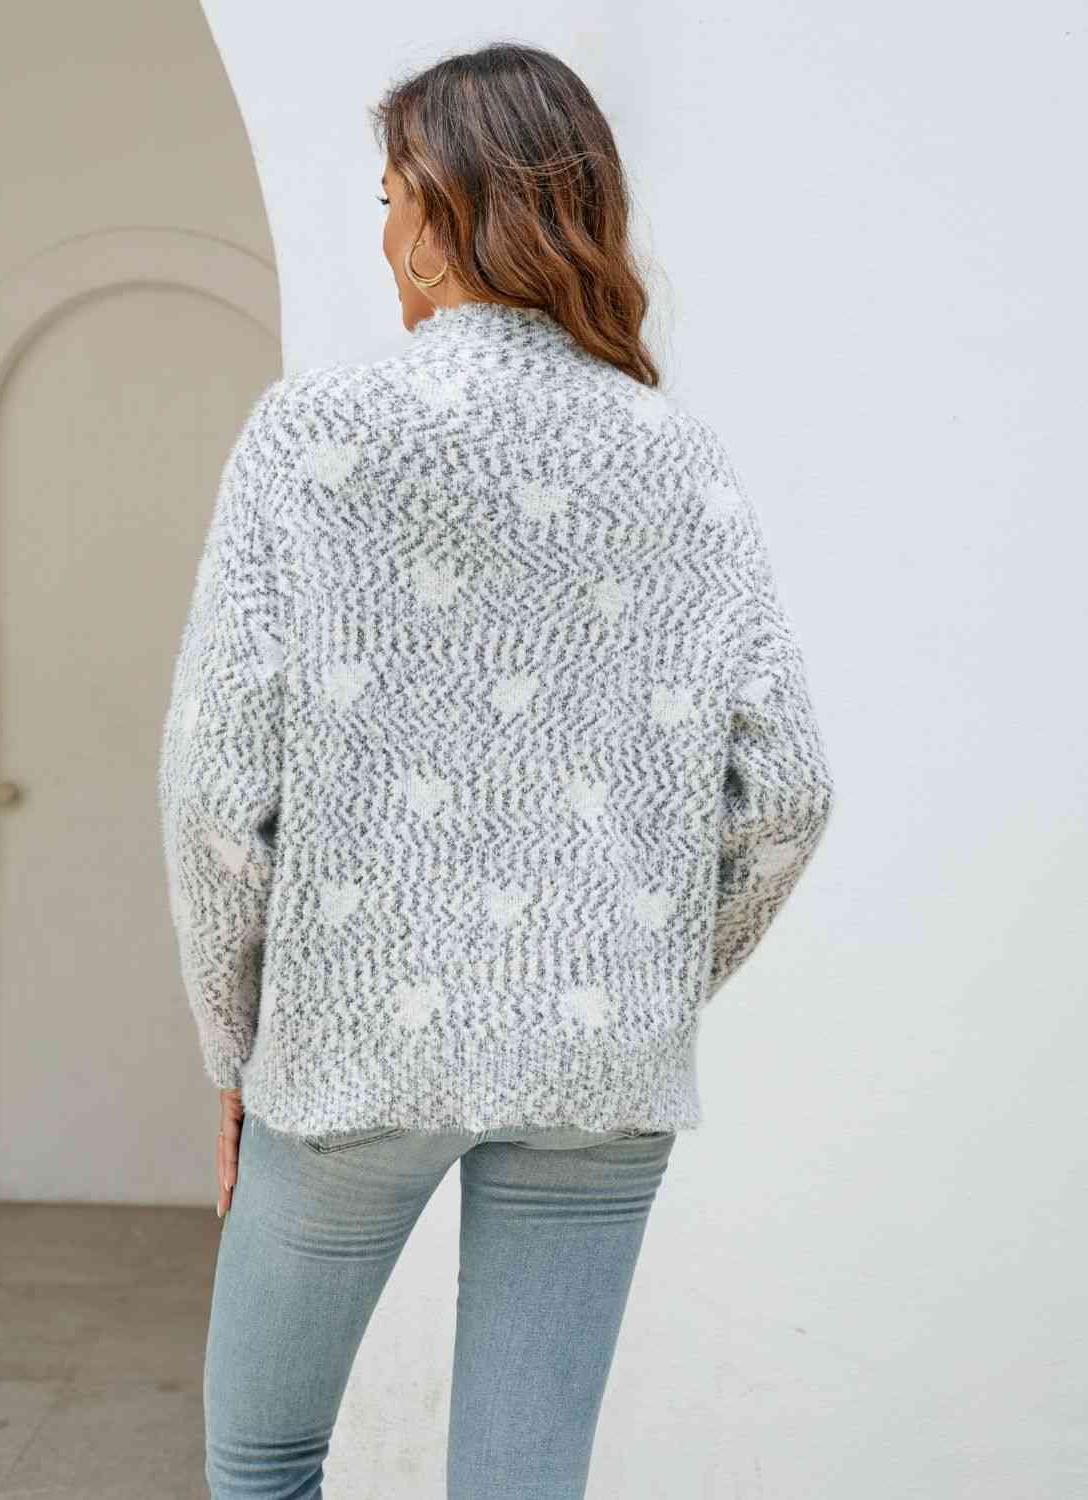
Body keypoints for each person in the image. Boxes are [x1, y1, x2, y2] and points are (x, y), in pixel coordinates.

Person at [156, 40, 835, 1500]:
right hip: (600, 1065)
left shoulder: (313, 439)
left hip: (350, 1051)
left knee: (265, 1461)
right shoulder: (679, 459)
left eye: (389, 199)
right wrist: (635, 983)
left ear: (443, 212)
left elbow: (218, 799)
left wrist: (236, 1050)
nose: (381, 236)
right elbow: (787, 794)